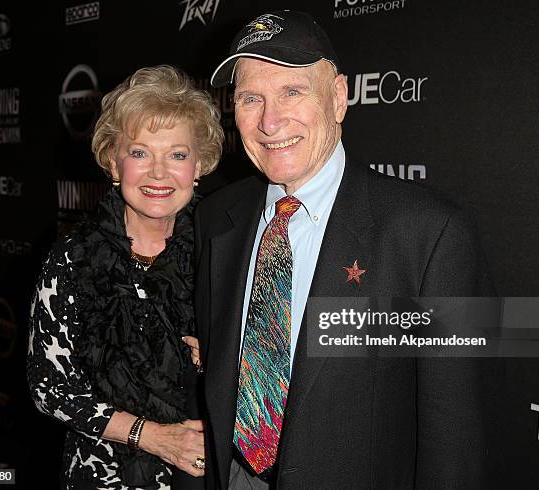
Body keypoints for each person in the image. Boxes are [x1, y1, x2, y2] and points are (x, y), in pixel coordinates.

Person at [194, 10, 496, 489]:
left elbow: (454, 436)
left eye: (293, 91)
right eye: (252, 98)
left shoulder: (431, 235)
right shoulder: (216, 218)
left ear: (338, 98)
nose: (270, 121)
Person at [27, 65, 224, 489]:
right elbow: (49, 387)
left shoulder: (223, 252)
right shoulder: (70, 259)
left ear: (199, 166)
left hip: (204, 476)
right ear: (114, 163)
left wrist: (221, 356)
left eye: (177, 154)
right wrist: (150, 436)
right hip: (100, 476)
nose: (158, 172)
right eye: (140, 152)